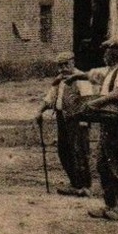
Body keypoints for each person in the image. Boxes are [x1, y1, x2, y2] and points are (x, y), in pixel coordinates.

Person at [81, 38, 118, 222]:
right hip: (108, 124)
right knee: (103, 165)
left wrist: (96, 103)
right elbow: (92, 77)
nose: (104, 55)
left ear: (116, 53)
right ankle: (109, 205)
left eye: (106, 51)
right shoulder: (111, 71)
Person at [38, 51, 93, 197]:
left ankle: (84, 186)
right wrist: (40, 111)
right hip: (63, 119)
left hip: (78, 120)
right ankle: (74, 183)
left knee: (79, 151)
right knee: (64, 151)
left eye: (65, 64)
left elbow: (87, 101)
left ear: (73, 63)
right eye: (60, 65)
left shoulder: (81, 78)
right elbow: (51, 97)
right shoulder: (59, 79)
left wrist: (84, 121)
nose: (62, 68)